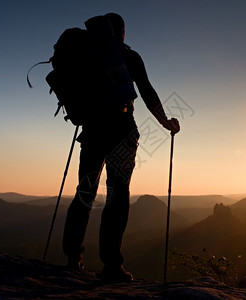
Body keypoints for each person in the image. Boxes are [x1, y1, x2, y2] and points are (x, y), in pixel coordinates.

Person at [62, 12, 180, 282]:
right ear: (122, 32)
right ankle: (112, 265)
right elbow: (147, 91)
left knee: (85, 191)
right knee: (117, 194)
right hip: (123, 131)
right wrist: (165, 122)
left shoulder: (85, 53)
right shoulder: (130, 56)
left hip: (92, 132)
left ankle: (73, 257)